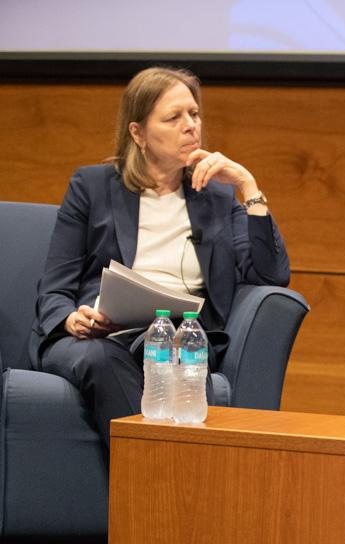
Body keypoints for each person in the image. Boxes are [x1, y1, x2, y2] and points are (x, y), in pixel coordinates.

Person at [29, 66, 290, 449]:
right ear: (138, 133)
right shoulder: (92, 188)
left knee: (182, 355)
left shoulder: (216, 198)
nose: (191, 126)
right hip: (98, 338)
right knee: (101, 360)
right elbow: (55, 286)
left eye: (194, 114)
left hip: (179, 335)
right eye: (174, 118)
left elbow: (272, 275)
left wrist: (247, 186)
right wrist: (71, 318)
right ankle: (159, 482)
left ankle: (160, 488)